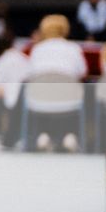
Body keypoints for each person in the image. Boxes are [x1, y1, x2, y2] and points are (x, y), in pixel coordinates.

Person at [26, 15, 88, 152]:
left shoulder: (37, 50)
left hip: (39, 100)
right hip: (70, 101)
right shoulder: (74, 48)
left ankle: (43, 135)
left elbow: (30, 75)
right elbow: (83, 73)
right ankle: (70, 135)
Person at [0, 38, 31, 149]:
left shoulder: (0, 62)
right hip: (18, 100)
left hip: (18, 100)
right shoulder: (25, 60)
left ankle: (0, 135)